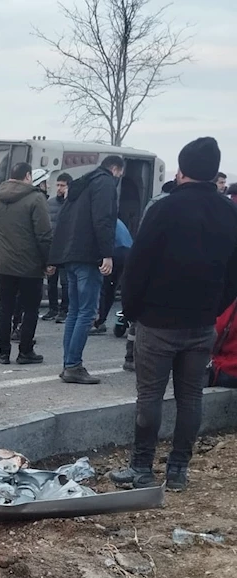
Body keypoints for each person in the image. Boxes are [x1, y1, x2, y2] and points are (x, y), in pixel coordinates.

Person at [112, 137, 237, 492]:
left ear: (181, 171)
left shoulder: (164, 209)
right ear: (214, 173)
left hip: (157, 321)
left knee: (150, 396)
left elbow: (137, 266)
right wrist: (214, 306)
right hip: (201, 323)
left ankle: (141, 468)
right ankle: (178, 470)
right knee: (190, 398)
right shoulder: (229, 212)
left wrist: (132, 310)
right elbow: (234, 273)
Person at [48, 155, 123, 384]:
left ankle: (68, 363)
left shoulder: (81, 183)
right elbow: (104, 219)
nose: (119, 178)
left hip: (70, 256)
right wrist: (106, 253)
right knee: (87, 313)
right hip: (89, 256)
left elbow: (62, 221)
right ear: (116, 169)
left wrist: (56, 256)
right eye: (120, 173)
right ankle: (74, 365)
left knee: (74, 312)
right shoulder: (105, 183)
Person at [0, 162, 52, 365]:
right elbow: (44, 234)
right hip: (30, 266)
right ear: (28, 176)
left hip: (5, 264)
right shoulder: (36, 198)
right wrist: (48, 261)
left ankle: (3, 352)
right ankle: (25, 351)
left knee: (5, 309)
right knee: (30, 309)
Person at [123, 179, 177, 371]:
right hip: (159, 267)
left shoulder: (155, 203)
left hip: (147, 261)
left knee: (137, 320)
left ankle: (130, 356)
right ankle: (137, 357)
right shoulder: (168, 206)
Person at [90, 218, 133, 334]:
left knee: (102, 287)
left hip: (114, 251)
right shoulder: (117, 221)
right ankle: (103, 319)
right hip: (128, 251)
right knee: (111, 287)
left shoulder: (100, 220)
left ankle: (98, 321)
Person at [41, 172, 72, 323]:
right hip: (53, 248)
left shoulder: (72, 204)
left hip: (67, 250)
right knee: (51, 280)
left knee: (65, 282)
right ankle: (53, 309)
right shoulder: (50, 203)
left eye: (63, 185)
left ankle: (64, 310)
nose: (59, 188)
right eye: (58, 185)